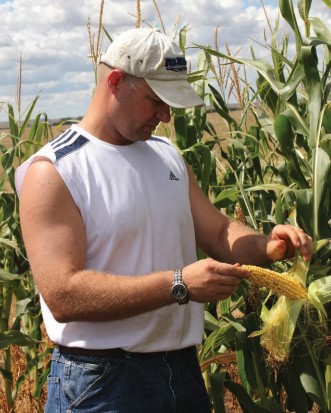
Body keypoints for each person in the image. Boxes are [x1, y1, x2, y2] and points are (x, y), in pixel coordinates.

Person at [15, 28, 312, 413]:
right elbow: (63, 295)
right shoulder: (55, 170)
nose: (167, 116)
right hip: (100, 383)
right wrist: (179, 285)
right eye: (157, 100)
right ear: (116, 82)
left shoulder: (166, 154)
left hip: (180, 370)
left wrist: (268, 247)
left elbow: (220, 231)